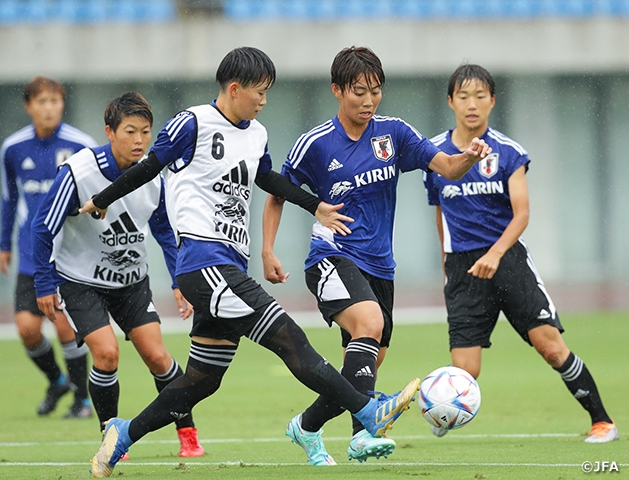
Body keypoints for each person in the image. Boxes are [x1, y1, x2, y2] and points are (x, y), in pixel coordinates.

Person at [80, 47, 421, 478]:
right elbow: (149, 168)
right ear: (235, 88)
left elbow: (268, 180)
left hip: (229, 266)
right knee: (289, 337)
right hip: (204, 263)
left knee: (203, 379)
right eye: (259, 92)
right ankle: (369, 412)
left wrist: (314, 205)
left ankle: (121, 434)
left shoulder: (256, 133)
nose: (263, 101)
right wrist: (101, 200)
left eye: (268, 93)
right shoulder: (193, 123)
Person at [261, 46, 493, 465]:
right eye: (358, 92)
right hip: (331, 257)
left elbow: (446, 166)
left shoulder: (394, 133)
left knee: (366, 366)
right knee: (370, 322)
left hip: (380, 266)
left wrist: (468, 158)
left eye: (375, 91)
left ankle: (312, 428)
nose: (368, 101)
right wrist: (267, 250)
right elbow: (278, 192)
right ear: (337, 90)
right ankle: (369, 428)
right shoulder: (315, 143)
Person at [423, 64, 619, 443]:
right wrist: (446, 264)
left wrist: (495, 254)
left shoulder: (509, 152)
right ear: (450, 101)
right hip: (462, 267)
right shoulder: (435, 156)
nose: (472, 104)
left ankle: (602, 421)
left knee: (549, 345)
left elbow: (523, 213)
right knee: (465, 370)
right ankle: (444, 412)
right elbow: (439, 213)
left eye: (480, 96)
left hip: (507, 260)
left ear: (493, 101)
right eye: (463, 96)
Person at [31, 92, 205, 458]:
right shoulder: (78, 172)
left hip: (130, 282)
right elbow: (43, 227)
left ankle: (188, 434)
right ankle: (112, 436)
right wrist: (44, 282)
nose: (140, 140)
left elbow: (164, 232)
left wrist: (179, 281)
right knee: (107, 354)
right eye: (130, 131)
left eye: (145, 131)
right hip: (79, 281)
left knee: (158, 357)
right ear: (109, 132)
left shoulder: (155, 175)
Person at [0, 76, 95, 418]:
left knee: (66, 327)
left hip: (67, 255)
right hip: (29, 254)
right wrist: (3, 243)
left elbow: (96, 197)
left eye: (54, 100)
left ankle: (82, 400)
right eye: (41, 101)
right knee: (27, 329)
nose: (49, 107)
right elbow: (10, 200)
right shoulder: (12, 148)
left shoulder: (82, 145)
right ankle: (57, 381)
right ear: (29, 106)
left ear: (62, 104)